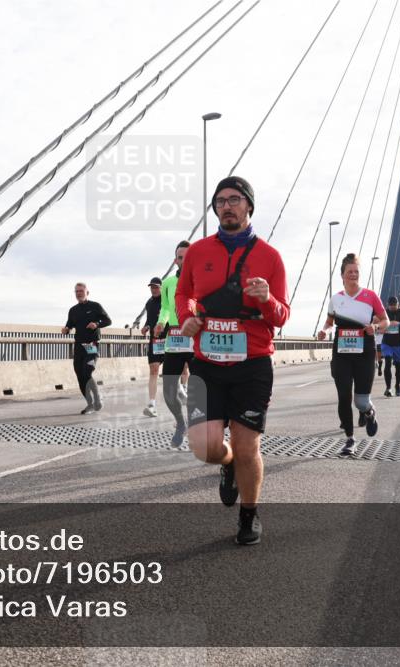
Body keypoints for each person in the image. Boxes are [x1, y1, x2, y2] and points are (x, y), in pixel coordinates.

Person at [176, 176, 289, 546]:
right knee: (205, 448)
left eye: (234, 199)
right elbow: (184, 294)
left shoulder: (270, 257)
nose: (226, 206)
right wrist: (186, 317)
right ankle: (228, 467)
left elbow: (281, 316)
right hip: (207, 363)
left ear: (248, 206)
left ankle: (249, 515)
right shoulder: (198, 252)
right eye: (220, 201)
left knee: (246, 447)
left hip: (252, 364)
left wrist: (267, 299)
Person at [317, 253, 389, 456]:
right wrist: (324, 331)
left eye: (356, 271)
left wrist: (376, 327)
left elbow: (385, 321)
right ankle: (350, 439)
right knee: (343, 396)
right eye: (349, 271)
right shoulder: (335, 299)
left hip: (364, 352)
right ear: (342, 275)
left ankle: (369, 412)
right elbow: (329, 323)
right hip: (341, 352)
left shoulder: (370, 296)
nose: (353, 275)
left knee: (360, 402)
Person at [154, 241, 193, 447]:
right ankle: (181, 423)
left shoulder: (201, 280)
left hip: (195, 339)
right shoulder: (168, 283)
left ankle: (200, 425)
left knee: (202, 389)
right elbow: (166, 308)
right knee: (169, 391)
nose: (184, 261)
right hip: (175, 340)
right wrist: (161, 322)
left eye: (188, 257)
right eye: (180, 257)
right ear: (175, 260)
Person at [62, 283, 112, 414]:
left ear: (87, 293)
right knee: (79, 375)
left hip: (91, 345)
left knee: (87, 372)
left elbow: (108, 321)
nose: (79, 293)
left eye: (81, 291)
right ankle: (90, 404)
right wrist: (66, 329)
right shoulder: (73, 310)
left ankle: (97, 398)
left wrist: (96, 324)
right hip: (79, 346)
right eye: (76, 291)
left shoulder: (95, 306)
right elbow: (69, 325)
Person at [140, 277, 165, 417]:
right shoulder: (149, 303)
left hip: (169, 340)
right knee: (154, 370)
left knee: (179, 370)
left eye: (156, 287)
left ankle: (183, 391)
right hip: (155, 341)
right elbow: (149, 320)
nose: (154, 290)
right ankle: (152, 404)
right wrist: (146, 327)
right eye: (152, 287)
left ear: (161, 287)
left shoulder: (167, 300)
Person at [380, 296, 400, 397]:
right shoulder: (384, 312)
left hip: (398, 344)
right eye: (391, 305)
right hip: (387, 343)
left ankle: (397, 386)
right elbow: (377, 325)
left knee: (398, 367)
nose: (393, 307)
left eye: (394, 305)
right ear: (387, 305)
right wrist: (381, 328)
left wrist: (398, 323)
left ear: (398, 304)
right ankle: (388, 388)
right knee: (387, 363)